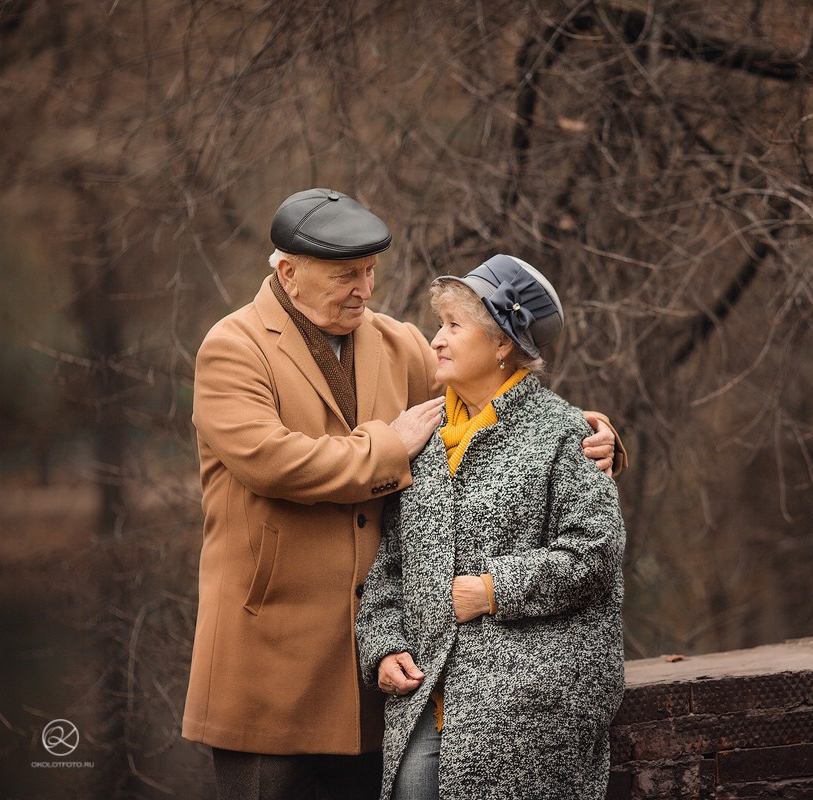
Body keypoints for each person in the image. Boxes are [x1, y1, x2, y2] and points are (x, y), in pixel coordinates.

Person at [183, 189, 624, 800]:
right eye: (344, 276)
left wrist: (591, 435)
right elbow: (274, 463)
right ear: (289, 273)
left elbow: (494, 401)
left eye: (368, 273)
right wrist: (389, 447)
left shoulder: (398, 342)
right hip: (271, 663)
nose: (363, 289)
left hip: (379, 671)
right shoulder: (232, 348)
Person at [355, 254, 626, 800]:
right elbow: (390, 564)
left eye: (455, 326)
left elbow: (595, 553)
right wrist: (382, 647)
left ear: (503, 344)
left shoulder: (564, 433)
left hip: (529, 706)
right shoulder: (422, 439)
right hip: (428, 694)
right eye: (439, 325)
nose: (437, 340)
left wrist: (495, 590)